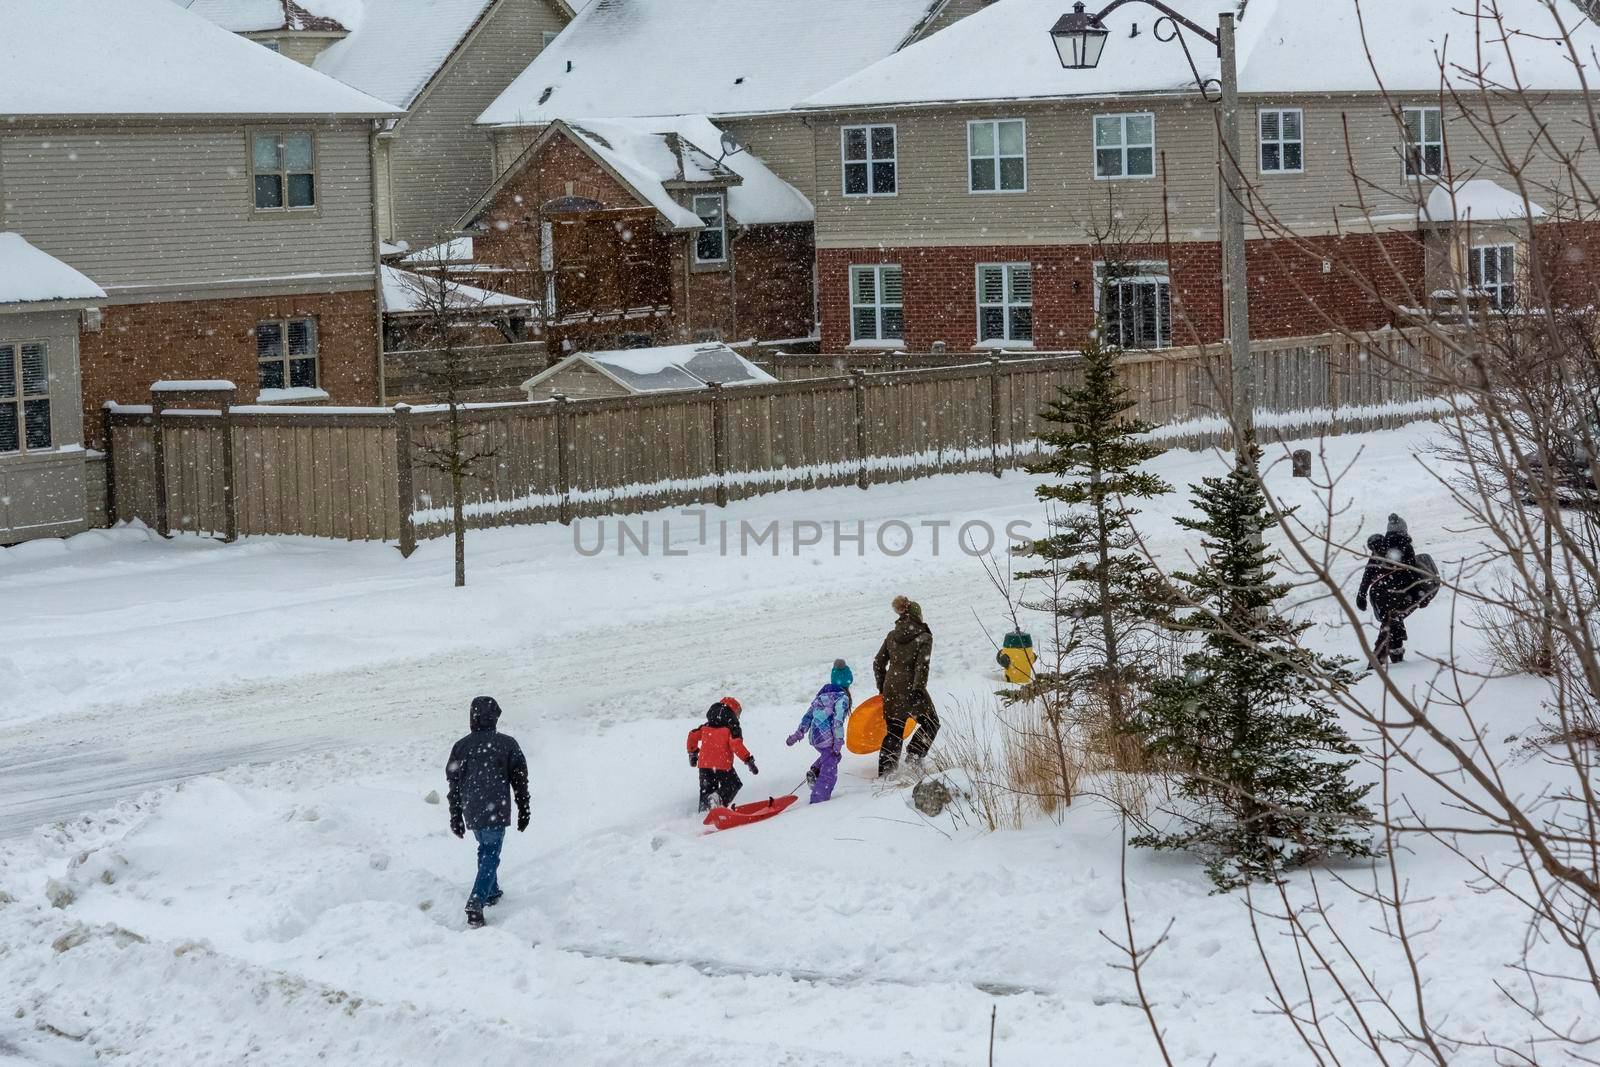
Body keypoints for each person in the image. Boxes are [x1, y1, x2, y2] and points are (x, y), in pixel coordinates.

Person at [445, 695, 530, 929]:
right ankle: (476, 901)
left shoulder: (461, 747)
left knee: (485, 849)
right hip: (496, 806)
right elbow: (519, 779)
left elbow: (453, 783)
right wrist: (524, 809)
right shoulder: (507, 744)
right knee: (491, 852)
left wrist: (456, 815)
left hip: (472, 808)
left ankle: (491, 892)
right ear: (494, 717)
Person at [873, 596, 935, 777]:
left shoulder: (892, 636)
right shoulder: (924, 637)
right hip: (912, 687)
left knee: (894, 729)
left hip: (892, 688)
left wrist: (882, 687)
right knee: (931, 724)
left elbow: (878, 662)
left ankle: (886, 772)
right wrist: (917, 689)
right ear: (917, 615)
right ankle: (914, 756)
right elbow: (921, 666)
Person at [1356, 513, 1426, 665]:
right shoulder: (1404, 546)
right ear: (1404, 529)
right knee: (1391, 621)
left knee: (1394, 620)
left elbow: (1368, 572)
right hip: (1394, 592)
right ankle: (1376, 661)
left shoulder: (1380, 547)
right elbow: (1411, 572)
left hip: (1377, 592)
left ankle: (1397, 657)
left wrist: (1361, 595)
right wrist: (1420, 594)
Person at [787, 660, 853, 803]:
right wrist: (838, 741)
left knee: (832, 756)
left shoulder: (822, 696)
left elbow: (808, 716)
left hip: (816, 737)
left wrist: (798, 733)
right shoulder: (842, 697)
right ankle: (818, 800)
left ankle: (815, 771)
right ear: (847, 681)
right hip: (827, 738)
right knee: (829, 773)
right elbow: (838, 721)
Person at [687, 696, 758, 812]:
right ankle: (718, 801)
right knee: (733, 784)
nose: (739, 716)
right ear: (733, 711)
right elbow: (736, 745)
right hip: (722, 765)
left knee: (706, 791)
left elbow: (692, 735)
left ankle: (703, 815)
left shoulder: (706, 726)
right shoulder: (732, 728)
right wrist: (748, 759)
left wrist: (692, 753)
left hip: (704, 766)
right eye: (738, 713)